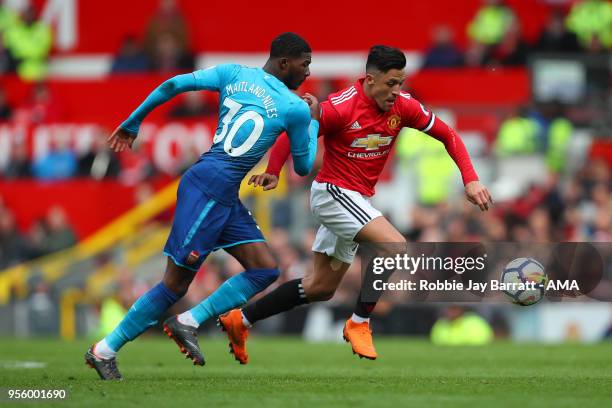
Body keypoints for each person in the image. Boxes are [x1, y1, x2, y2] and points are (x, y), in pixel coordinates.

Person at [218, 45, 492, 363]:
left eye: (400, 83)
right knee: (396, 247)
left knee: (320, 287)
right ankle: (359, 323)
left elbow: (448, 135)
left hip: (356, 199)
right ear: (370, 79)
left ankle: (241, 319)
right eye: (391, 83)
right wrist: (273, 170)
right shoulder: (340, 108)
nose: (396, 91)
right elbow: (291, 133)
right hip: (332, 193)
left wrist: (470, 178)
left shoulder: (404, 107)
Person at [85, 32, 318, 380]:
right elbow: (303, 165)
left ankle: (188, 321)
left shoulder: (234, 73)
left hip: (219, 191)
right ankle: (104, 350)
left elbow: (173, 84)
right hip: (209, 192)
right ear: (285, 63)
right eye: (305, 63)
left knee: (266, 269)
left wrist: (134, 120)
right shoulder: (295, 107)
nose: (308, 72)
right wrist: (312, 121)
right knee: (175, 285)